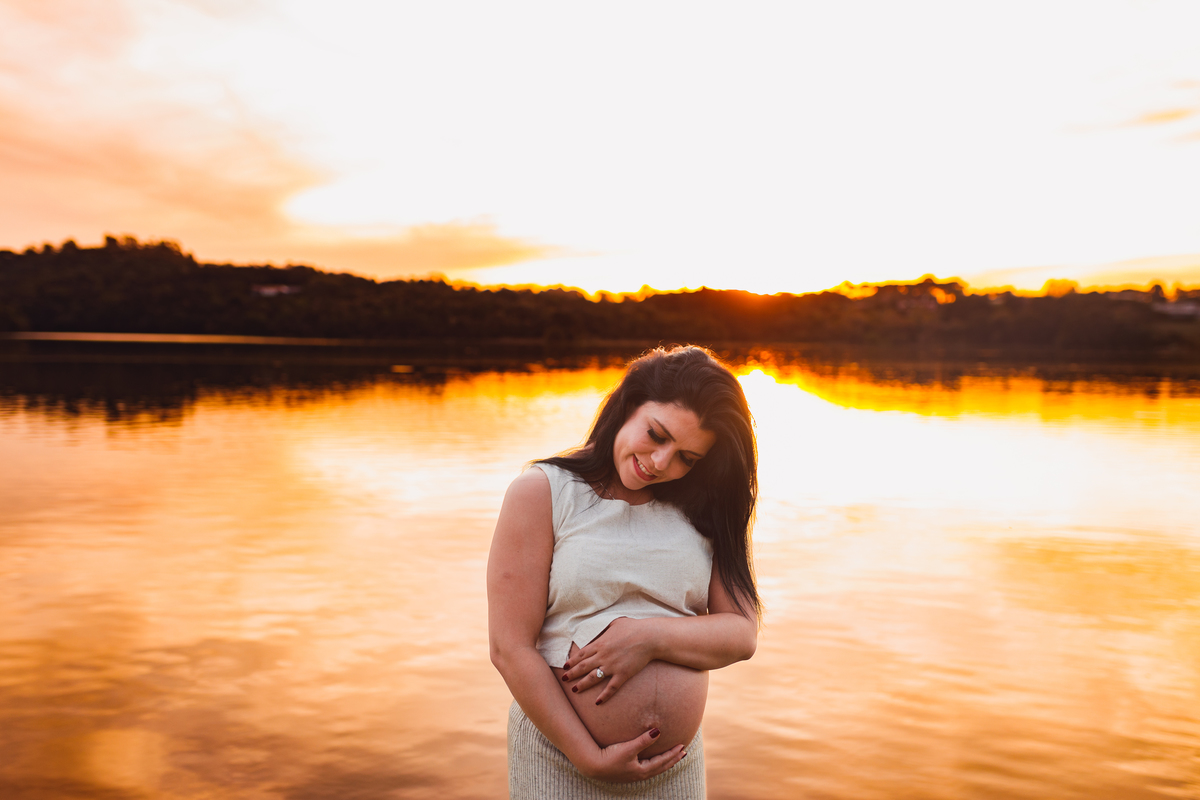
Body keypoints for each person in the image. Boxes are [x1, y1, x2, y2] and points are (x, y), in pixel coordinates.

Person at [488, 345, 761, 798]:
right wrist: (587, 757)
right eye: (656, 435)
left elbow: (740, 634)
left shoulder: (704, 508)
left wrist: (648, 637)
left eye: (687, 458)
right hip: (559, 761)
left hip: (674, 772)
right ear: (630, 403)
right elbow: (509, 647)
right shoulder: (542, 492)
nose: (660, 463)